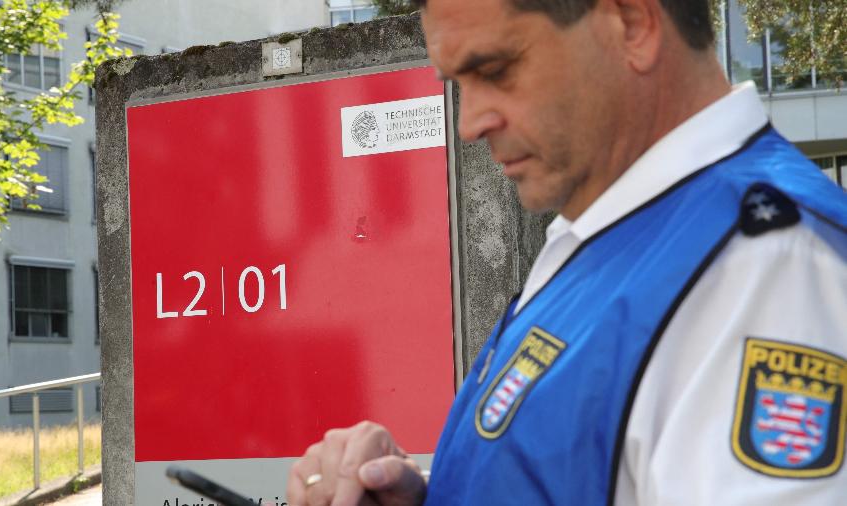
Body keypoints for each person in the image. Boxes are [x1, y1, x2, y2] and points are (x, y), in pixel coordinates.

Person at [286, 0, 847, 504]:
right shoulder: (616, 226)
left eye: (495, 70)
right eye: (458, 82)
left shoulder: (768, 269)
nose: (469, 124)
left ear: (632, 24)